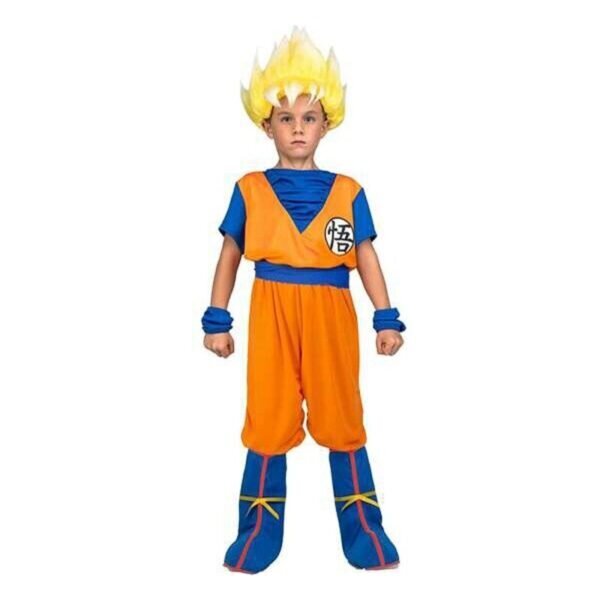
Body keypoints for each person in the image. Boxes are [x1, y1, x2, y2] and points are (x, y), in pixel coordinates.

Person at [201, 26, 407, 574]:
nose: (298, 128)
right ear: (265, 124)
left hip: (330, 312)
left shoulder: (348, 192)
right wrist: (217, 318)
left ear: (327, 122)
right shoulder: (249, 189)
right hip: (271, 309)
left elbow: (365, 255)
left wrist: (385, 317)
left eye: (309, 117)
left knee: (342, 414)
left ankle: (364, 528)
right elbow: (229, 252)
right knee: (268, 415)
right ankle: (257, 530)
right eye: (286, 117)